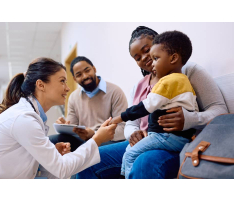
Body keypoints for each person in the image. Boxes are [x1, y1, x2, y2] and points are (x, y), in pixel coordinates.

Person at [77, 26, 228, 179]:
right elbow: (131, 124)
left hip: (176, 142)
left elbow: (220, 110)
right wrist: (132, 135)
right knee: (88, 159)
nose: (144, 57)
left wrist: (189, 119)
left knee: (144, 163)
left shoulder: (187, 71)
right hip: (147, 141)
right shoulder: (138, 87)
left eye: (146, 49)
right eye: (137, 57)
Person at [0, 58, 117, 179]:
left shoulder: (30, 116)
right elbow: (61, 169)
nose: (67, 88)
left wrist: (50, 153)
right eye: (62, 81)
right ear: (41, 85)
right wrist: (96, 140)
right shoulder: (24, 118)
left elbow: (27, 163)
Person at [110, 30, 198, 178]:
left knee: (131, 156)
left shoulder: (169, 81)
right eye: (137, 58)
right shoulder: (183, 81)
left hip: (164, 137)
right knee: (95, 158)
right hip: (176, 138)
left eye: (153, 55)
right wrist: (133, 134)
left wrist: (120, 118)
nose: (147, 59)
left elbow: (146, 107)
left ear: (173, 57)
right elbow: (193, 106)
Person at [49, 56, 128, 152]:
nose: (85, 76)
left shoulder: (115, 91)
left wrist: (95, 134)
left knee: (92, 150)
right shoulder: (74, 97)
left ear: (94, 69)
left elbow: (123, 129)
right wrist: (64, 126)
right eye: (79, 75)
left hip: (108, 141)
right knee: (51, 141)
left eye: (87, 70)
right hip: (83, 141)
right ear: (74, 79)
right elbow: (72, 129)